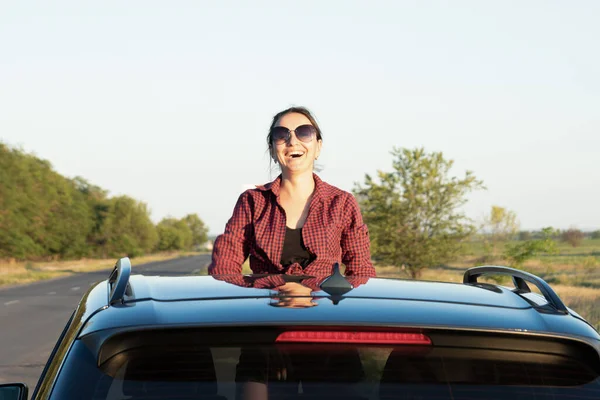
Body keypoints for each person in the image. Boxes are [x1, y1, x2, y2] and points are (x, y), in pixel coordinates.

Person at [208, 106, 375, 278]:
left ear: (318, 147)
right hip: (266, 303)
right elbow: (224, 266)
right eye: (281, 134)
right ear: (272, 150)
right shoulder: (252, 202)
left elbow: (361, 271)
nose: (293, 141)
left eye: (304, 132)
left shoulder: (341, 203)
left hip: (324, 304)